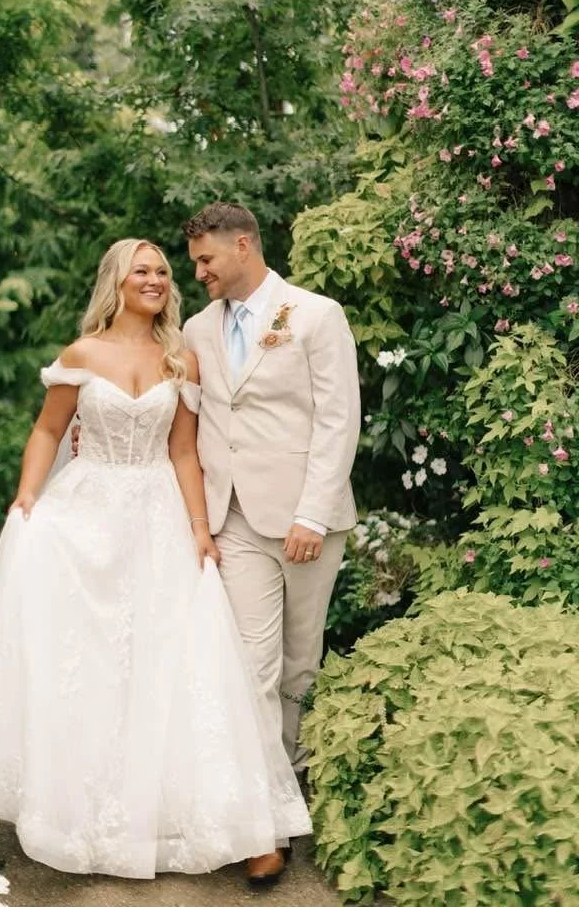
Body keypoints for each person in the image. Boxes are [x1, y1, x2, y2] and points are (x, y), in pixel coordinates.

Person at [0, 238, 311, 883]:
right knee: (91, 664)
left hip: (159, 517)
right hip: (87, 514)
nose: (155, 279)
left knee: (180, 661)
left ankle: (239, 823)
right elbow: (48, 430)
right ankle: (86, 818)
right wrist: (27, 496)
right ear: (116, 282)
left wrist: (201, 529)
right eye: (140, 271)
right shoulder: (82, 355)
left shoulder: (182, 360)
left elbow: (182, 452)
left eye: (162, 272)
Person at [182, 201, 361, 883]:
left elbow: (339, 418)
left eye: (206, 259)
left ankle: (295, 784)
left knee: (298, 666)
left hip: (304, 520)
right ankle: (267, 825)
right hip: (233, 519)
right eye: (195, 260)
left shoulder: (316, 315)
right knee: (250, 667)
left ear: (245, 245)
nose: (197, 272)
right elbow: (188, 413)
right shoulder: (198, 328)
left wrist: (312, 515)